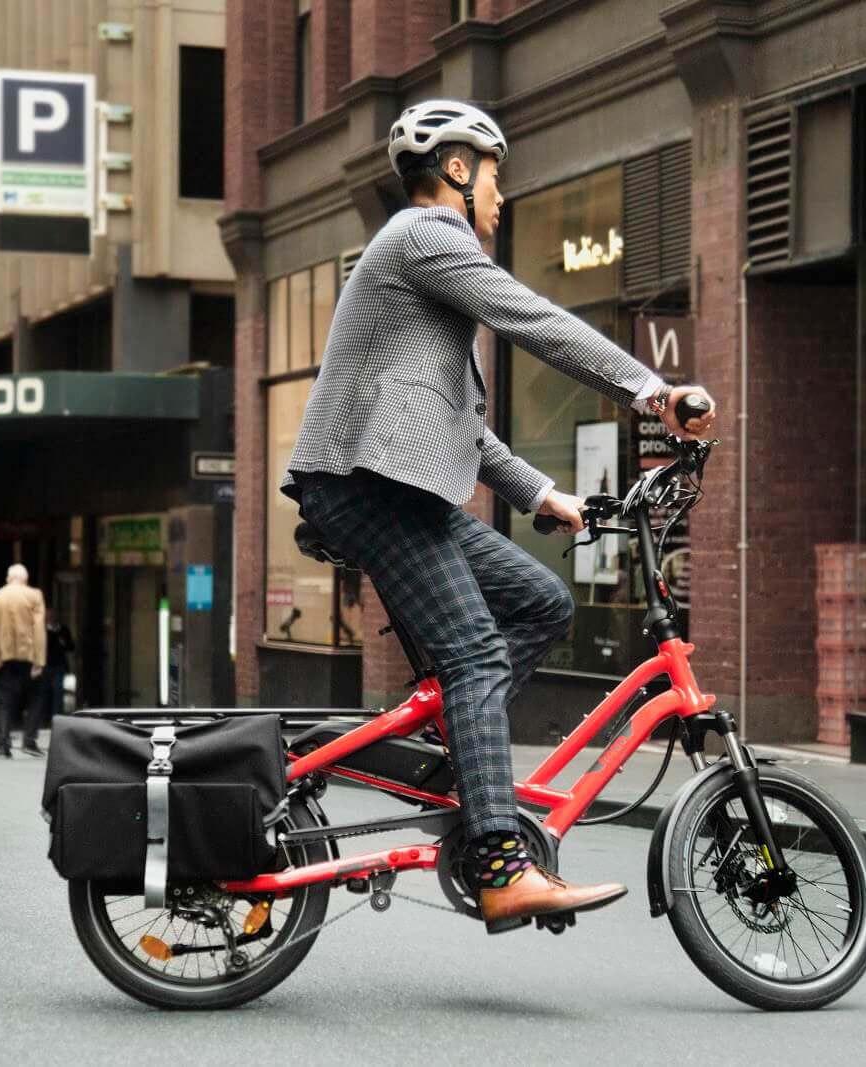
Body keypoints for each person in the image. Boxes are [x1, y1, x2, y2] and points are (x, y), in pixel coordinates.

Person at [283, 100, 716, 933]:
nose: (500, 195)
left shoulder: (420, 268)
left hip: (395, 486)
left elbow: (449, 420)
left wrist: (538, 494)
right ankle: (499, 864)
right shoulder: (426, 235)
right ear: (456, 170)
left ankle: (455, 750)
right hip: (368, 486)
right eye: (495, 175)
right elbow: (535, 319)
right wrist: (651, 390)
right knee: (477, 650)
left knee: (541, 600)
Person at [0, 563, 47, 758]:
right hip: (28, 655)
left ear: (8, 578)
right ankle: (29, 741)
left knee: (3, 702)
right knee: (36, 698)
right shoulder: (34, 595)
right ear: (25, 579)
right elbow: (38, 628)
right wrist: (40, 660)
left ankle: (3, 745)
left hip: (2, 656)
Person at [35, 607, 76, 724]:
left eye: (53, 615)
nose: (51, 618)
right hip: (45, 665)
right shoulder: (41, 631)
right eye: (48, 615)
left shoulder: (63, 630)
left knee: (58, 691)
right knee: (45, 692)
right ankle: (44, 718)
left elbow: (71, 647)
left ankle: (56, 718)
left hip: (59, 665)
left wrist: (64, 643)